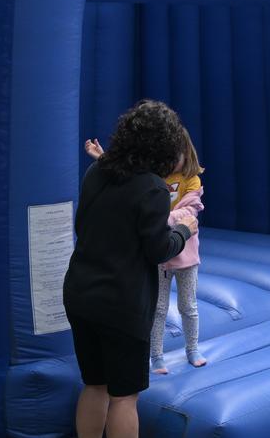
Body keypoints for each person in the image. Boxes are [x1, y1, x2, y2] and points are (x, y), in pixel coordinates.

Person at [63, 100, 199, 438]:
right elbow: (158, 250)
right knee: (125, 395)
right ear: (163, 147)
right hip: (121, 303)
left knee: (95, 383)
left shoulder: (97, 171)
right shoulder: (153, 188)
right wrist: (183, 228)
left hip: (81, 292)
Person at [83, 134, 207, 375]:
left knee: (188, 306)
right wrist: (103, 158)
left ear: (186, 155)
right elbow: (129, 179)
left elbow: (190, 211)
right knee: (158, 309)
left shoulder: (191, 180)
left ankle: (192, 348)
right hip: (160, 254)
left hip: (186, 255)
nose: (171, 163)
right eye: (166, 158)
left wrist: (159, 219)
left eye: (176, 158)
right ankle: (157, 355)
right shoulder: (154, 178)